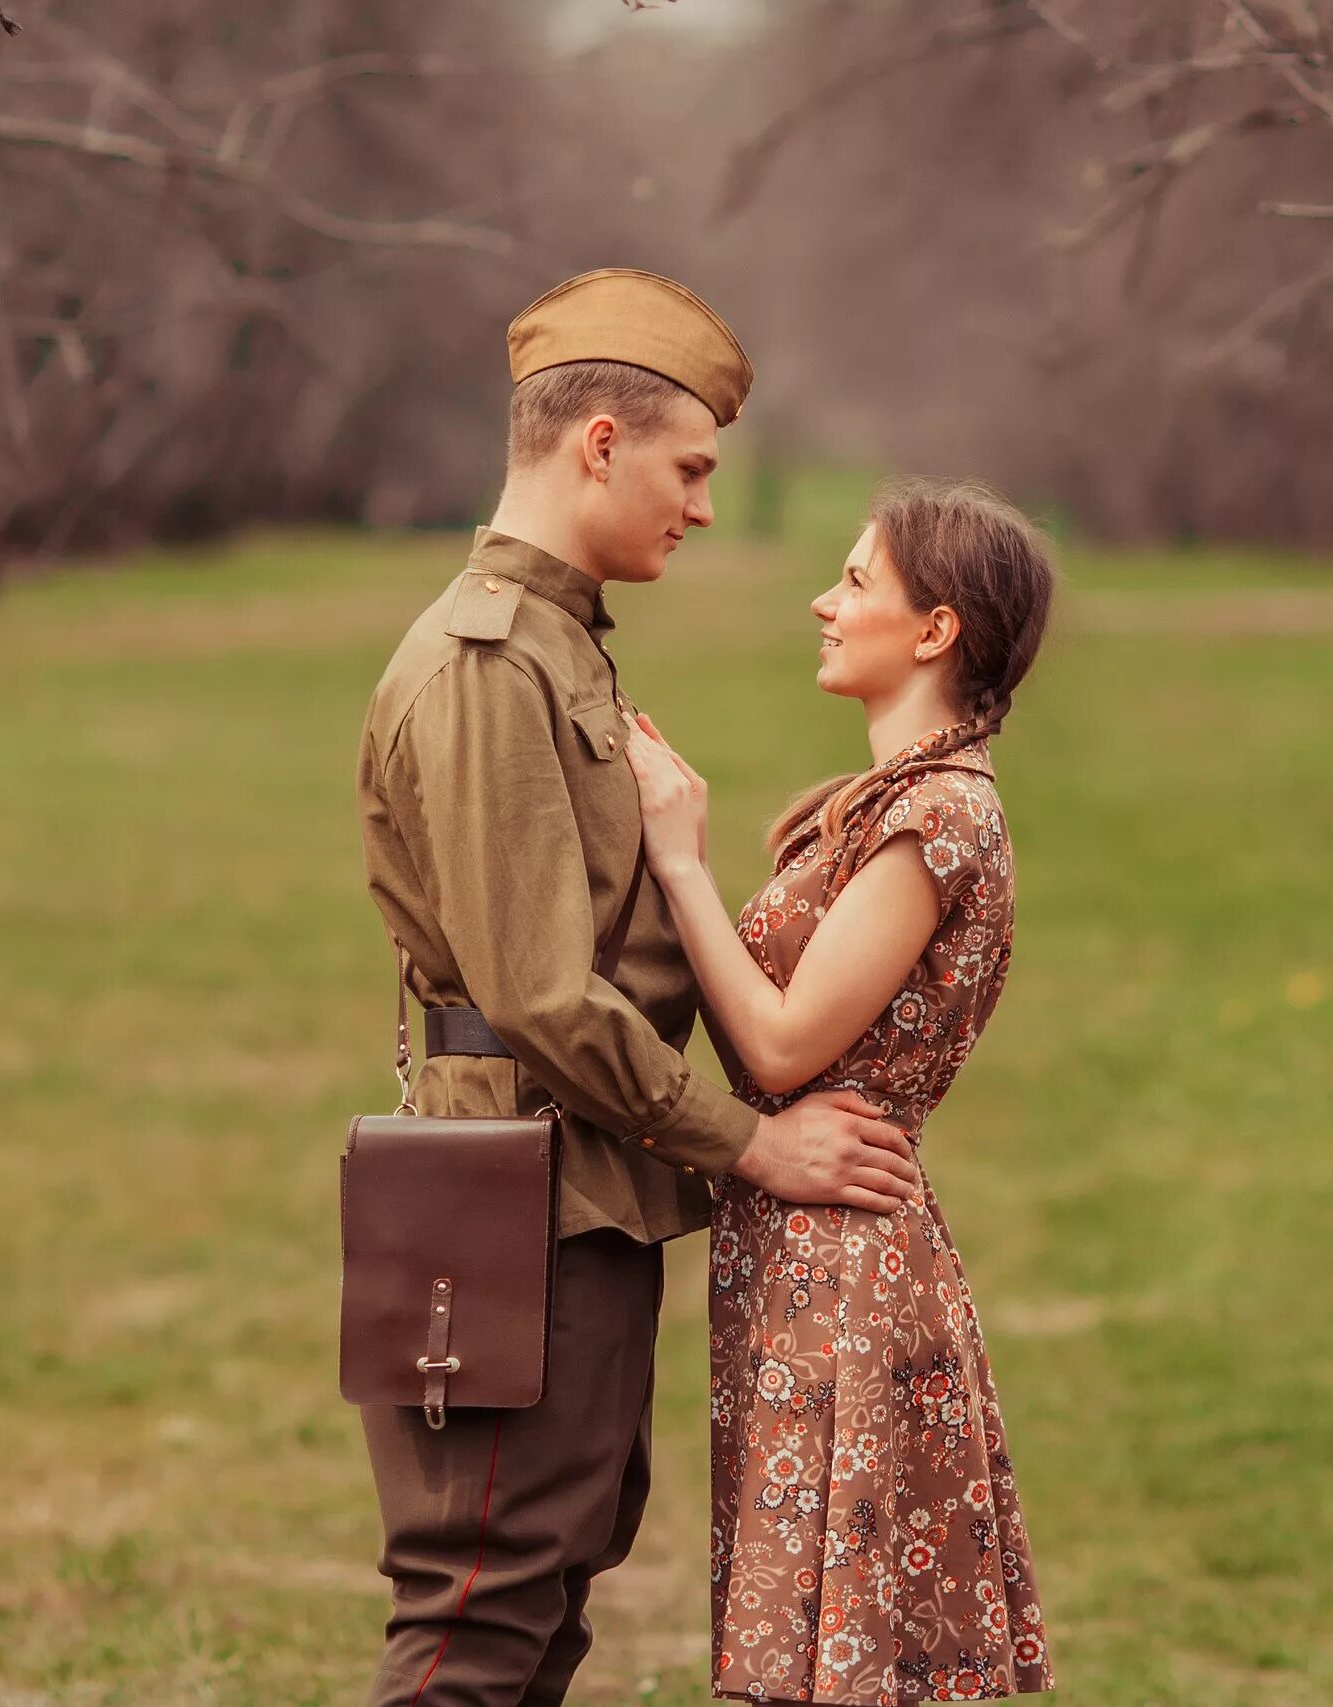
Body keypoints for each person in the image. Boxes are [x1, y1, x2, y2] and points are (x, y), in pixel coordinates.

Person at [352, 267, 926, 1706]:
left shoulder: (555, 640)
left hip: (571, 1180)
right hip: (515, 1192)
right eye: (690, 467)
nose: (706, 505)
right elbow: (541, 990)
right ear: (596, 442)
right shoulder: (490, 661)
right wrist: (751, 1140)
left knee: (540, 1594)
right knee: (477, 1617)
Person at [621, 477, 1059, 1703]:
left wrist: (678, 862)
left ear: (935, 631)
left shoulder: (936, 820)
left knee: (844, 1662)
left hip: (848, 1267)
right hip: (799, 1250)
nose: (824, 600)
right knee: (809, 1652)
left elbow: (775, 1049)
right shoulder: (874, 806)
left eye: (857, 580)